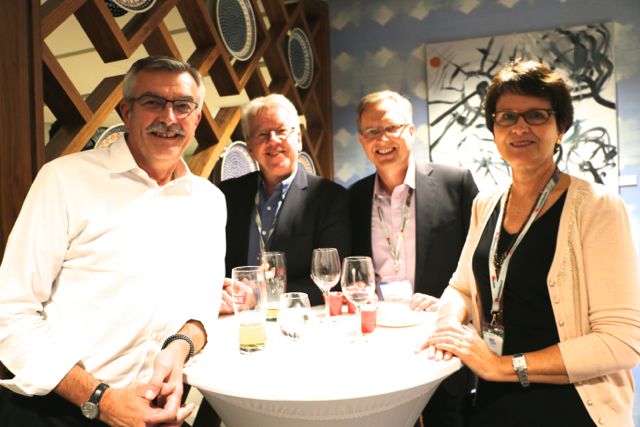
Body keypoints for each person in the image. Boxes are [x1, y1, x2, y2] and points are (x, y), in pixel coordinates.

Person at [0, 56, 226, 427]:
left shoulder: (209, 201)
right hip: (58, 411)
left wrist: (180, 345)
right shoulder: (65, 180)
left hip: (154, 413)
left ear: (197, 117)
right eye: (153, 102)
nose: (169, 117)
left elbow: (204, 303)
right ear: (126, 111)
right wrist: (101, 400)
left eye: (183, 106)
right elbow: (10, 313)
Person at [421, 60, 640, 426]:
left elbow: (621, 341)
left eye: (536, 115)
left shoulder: (598, 206)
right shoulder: (485, 204)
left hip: (571, 403)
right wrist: (448, 326)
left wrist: (501, 366)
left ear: (561, 128)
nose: (519, 127)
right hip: (492, 398)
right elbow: (460, 288)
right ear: (494, 130)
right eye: (507, 117)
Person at [349, 90, 478, 427]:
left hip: (439, 334)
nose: (383, 139)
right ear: (362, 141)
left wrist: (452, 304)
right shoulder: (354, 197)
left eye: (392, 128)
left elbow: (480, 260)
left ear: (410, 130)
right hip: (378, 340)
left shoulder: (455, 183)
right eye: (372, 131)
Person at [218, 93, 351, 311]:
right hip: (232, 315)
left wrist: (260, 296)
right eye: (262, 134)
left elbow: (331, 279)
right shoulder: (227, 195)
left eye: (281, 131)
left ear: (298, 139)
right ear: (250, 147)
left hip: (297, 317)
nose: (273, 141)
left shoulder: (330, 198)